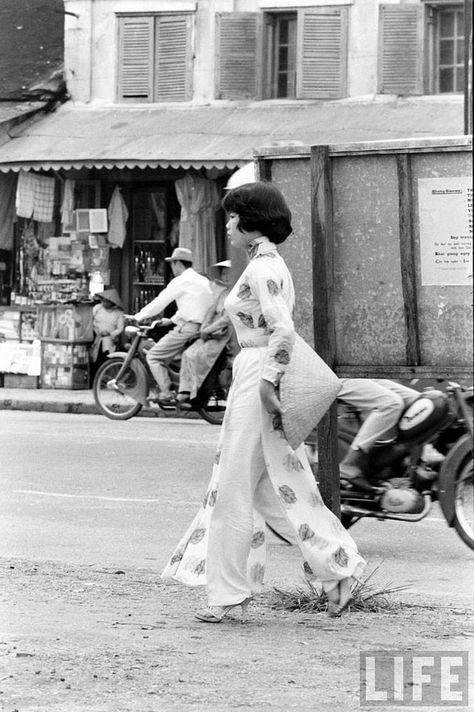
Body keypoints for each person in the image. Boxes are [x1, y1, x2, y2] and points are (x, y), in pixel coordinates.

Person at [162, 182, 366, 622]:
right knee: (273, 483)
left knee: (234, 485)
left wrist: (269, 383)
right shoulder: (263, 264)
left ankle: (228, 594)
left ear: (251, 220)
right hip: (254, 373)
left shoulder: (262, 269)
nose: (229, 223)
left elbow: (283, 330)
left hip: (259, 373)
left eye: (234, 216)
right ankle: (335, 566)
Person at [133, 247, 214, 403]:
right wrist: (171, 320)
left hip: (188, 328)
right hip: (202, 326)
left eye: (172, 264)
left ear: (177, 263)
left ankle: (166, 392)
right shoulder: (202, 280)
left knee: (154, 356)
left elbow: (159, 302)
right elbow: (193, 306)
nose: (172, 267)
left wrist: (138, 316)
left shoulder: (181, 281)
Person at [337, 378, 420, 490]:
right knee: (391, 404)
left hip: (359, 374)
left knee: (420, 402)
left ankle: (399, 464)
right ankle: (348, 465)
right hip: (333, 375)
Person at [176, 259, 232, 405]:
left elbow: (227, 318)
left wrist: (208, 329)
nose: (225, 276)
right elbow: (211, 312)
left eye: (228, 273)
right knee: (188, 353)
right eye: (224, 273)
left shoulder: (237, 295)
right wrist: (204, 328)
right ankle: (185, 390)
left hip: (225, 334)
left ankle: (197, 393)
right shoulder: (222, 293)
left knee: (200, 356)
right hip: (211, 331)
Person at [90, 288, 125, 374]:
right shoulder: (97, 308)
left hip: (109, 340)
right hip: (95, 337)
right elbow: (90, 320)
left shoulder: (118, 313)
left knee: (106, 358)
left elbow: (120, 328)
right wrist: (96, 330)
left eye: (107, 301)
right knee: (94, 359)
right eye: (103, 301)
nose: (104, 303)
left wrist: (110, 334)